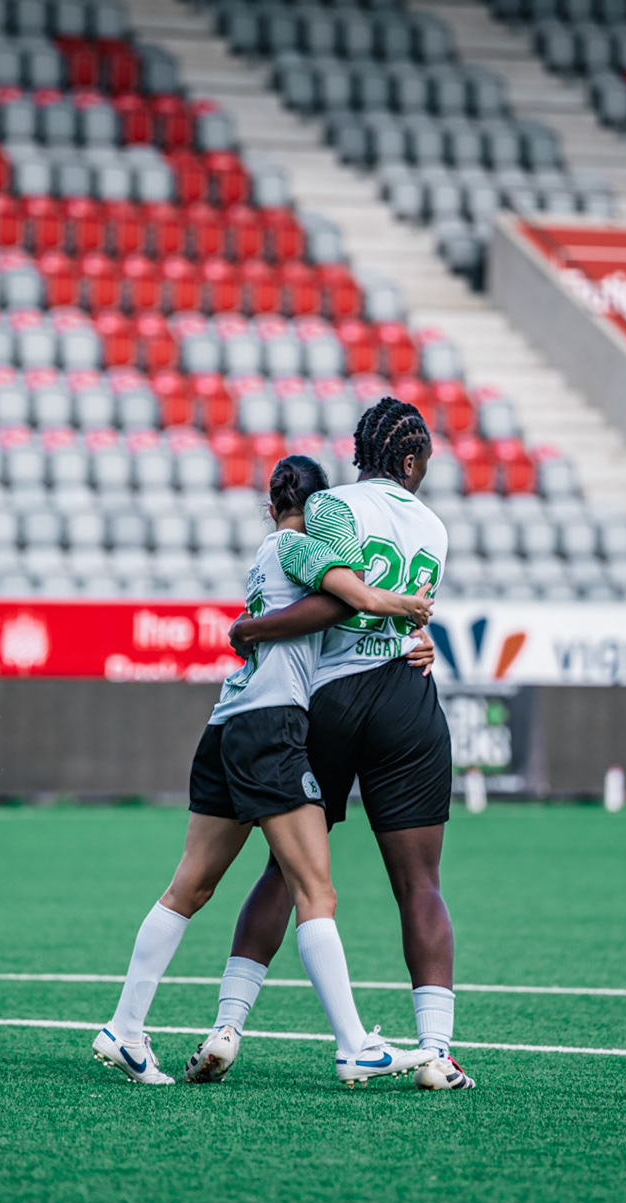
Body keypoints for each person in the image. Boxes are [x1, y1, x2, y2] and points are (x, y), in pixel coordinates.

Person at [92, 455, 439, 1087]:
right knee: (316, 891)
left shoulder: (265, 553)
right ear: (318, 507)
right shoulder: (300, 546)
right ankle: (355, 1045)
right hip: (273, 725)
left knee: (190, 886)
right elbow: (345, 604)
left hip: (228, 721)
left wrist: (403, 631)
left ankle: (126, 1029)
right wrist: (408, 610)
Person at [184, 398, 475, 1092]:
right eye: (426, 458)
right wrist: (411, 632)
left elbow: (340, 598)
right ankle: (437, 1053)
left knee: (288, 871)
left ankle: (228, 1026)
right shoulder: (434, 526)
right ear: (410, 462)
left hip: (331, 699)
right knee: (421, 884)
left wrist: (252, 630)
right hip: (406, 699)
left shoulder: (331, 508)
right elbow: (399, 611)